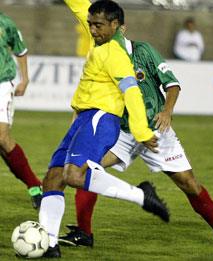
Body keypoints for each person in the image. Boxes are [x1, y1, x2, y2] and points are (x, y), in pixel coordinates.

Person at [58, 25, 213, 248]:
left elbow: (172, 84)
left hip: (155, 130)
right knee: (85, 170)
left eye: (102, 26)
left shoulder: (144, 51)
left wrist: (167, 111)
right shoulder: (101, 56)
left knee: (189, 183)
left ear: (121, 28)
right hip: (122, 131)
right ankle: (84, 233)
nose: (97, 31)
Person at [39, 0, 169, 258]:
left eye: (99, 25)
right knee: (52, 179)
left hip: (101, 119)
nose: (93, 30)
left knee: (74, 176)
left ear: (116, 25)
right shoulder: (97, 41)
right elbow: (79, 6)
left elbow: (132, 92)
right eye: (90, 25)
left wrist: (142, 131)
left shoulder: (116, 54)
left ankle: (141, 195)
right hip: (83, 119)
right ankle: (48, 244)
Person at [0, 12, 43, 209]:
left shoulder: (5, 23)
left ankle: (34, 185)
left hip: (2, 83)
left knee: (1, 137)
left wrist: (25, 79)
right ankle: (34, 185)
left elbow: (21, 50)